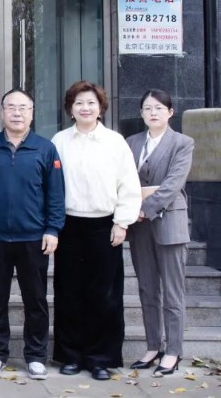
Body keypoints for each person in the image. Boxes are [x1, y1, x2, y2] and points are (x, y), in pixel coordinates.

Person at [0, 89, 65, 380]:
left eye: (23, 108)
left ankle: (35, 356)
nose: (17, 113)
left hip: (33, 238)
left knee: (35, 301)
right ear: (2, 112)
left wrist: (53, 229)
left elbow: (56, 194)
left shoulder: (45, 149)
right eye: (11, 107)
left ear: (32, 113)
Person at [50, 80, 141, 381]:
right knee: (69, 293)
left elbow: (129, 184)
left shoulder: (115, 142)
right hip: (69, 225)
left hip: (105, 226)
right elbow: (51, 185)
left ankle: (101, 358)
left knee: (105, 295)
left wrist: (122, 222)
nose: (85, 108)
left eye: (91, 102)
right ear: (70, 109)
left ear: (101, 107)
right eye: (79, 103)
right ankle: (70, 355)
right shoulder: (60, 141)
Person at [126, 89, 194, 377]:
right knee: (147, 288)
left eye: (159, 108)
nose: (153, 113)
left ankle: (173, 350)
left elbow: (173, 184)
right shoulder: (131, 142)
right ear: (141, 113)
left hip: (168, 222)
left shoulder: (182, 143)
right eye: (147, 108)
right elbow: (123, 179)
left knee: (173, 291)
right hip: (139, 225)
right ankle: (153, 346)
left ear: (170, 112)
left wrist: (144, 209)